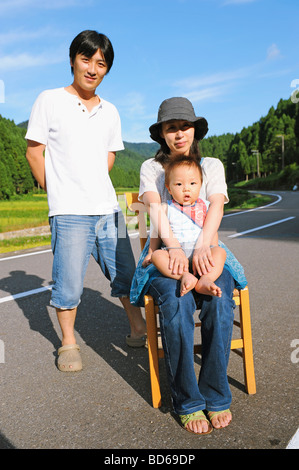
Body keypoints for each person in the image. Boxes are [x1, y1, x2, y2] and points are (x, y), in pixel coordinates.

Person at [25, 30, 146, 373]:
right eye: (86, 59)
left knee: (126, 273)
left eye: (101, 63)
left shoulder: (111, 111)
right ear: (73, 60)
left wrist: (91, 183)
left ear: (107, 70)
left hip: (107, 207)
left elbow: (108, 156)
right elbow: (35, 152)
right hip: (69, 211)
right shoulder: (49, 99)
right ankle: (68, 343)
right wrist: (59, 190)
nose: (93, 68)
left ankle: (138, 329)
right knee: (68, 282)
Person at [130, 97, 247, 434]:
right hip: (167, 254)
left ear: (194, 129)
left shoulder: (210, 165)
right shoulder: (152, 169)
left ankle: (215, 394)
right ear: (162, 134)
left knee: (221, 293)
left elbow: (215, 209)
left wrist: (201, 248)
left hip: (204, 246)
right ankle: (187, 401)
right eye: (171, 128)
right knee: (176, 299)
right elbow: (153, 211)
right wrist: (176, 249)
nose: (179, 133)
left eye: (185, 126)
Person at [142, 155, 226, 298]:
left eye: (193, 183)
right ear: (169, 188)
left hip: (201, 255)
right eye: (179, 184)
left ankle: (206, 279)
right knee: (158, 256)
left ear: (200, 185)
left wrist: (211, 247)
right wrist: (151, 251)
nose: (186, 189)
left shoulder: (205, 207)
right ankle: (184, 276)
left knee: (220, 252)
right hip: (174, 256)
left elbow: (212, 232)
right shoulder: (166, 208)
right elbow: (156, 231)